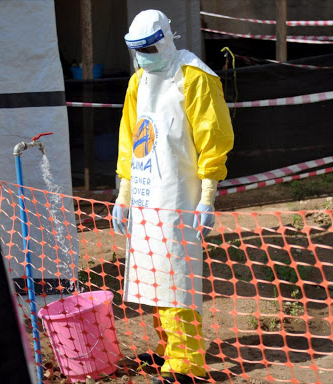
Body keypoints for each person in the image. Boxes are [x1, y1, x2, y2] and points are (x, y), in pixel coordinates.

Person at [112, 9, 234, 384]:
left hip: (180, 195)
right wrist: (124, 193)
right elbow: (131, 139)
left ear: (165, 40)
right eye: (137, 51)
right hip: (148, 192)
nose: (144, 57)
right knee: (153, 275)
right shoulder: (139, 82)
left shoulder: (195, 78)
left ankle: (186, 364)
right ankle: (168, 349)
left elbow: (213, 138)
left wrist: (208, 196)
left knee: (176, 274)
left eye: (148, 48)